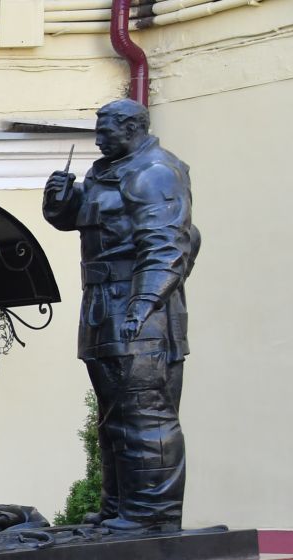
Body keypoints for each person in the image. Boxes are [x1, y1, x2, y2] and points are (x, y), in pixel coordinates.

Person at [43, 98, 200, 532]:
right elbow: (89, 220)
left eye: (106, 130)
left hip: (139, 307)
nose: (98, 137)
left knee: (145, 413)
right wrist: (61, 203)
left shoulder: (156, 173)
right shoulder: (104, 170)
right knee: (113, 418)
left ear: (132, 127)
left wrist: (141, 303)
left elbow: (167, 246)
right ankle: (120, 509)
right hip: (101, 302)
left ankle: (153, 514)